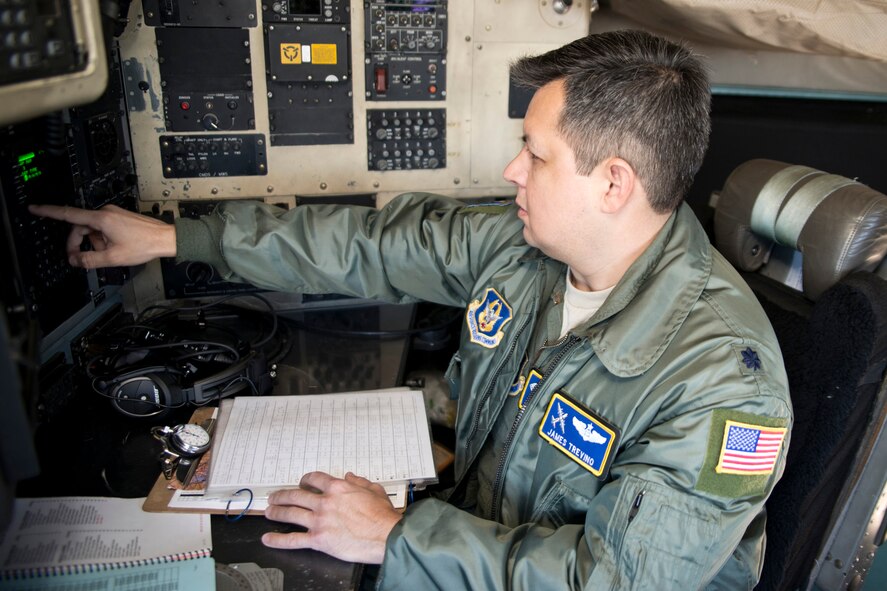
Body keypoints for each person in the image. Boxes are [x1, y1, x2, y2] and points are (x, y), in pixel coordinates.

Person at [31, 29, 792, 590]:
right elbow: (372, 242)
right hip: (470, 534)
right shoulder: (529, 249)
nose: (509, 170)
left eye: (534, 153)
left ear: (613, 184)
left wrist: (397, 535)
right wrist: (174, 235)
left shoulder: (723, 385)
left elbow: (612, 581)